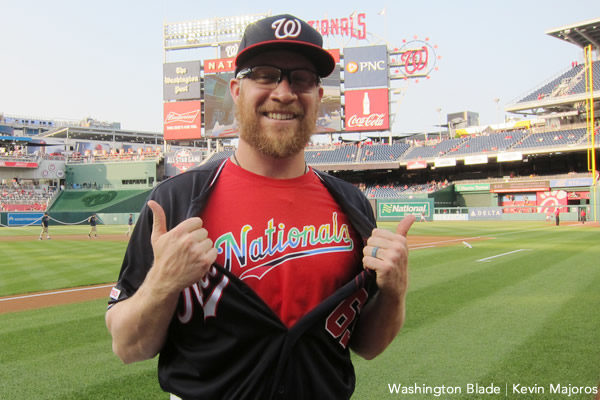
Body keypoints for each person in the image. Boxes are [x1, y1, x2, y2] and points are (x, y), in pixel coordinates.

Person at [105, 14, 414, 400]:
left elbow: (367, 345)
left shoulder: (351, 205)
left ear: (319, 96)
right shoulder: (174, 202)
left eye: (301, 78)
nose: (284, 92)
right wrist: (162, 284)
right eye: (266, 74)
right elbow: (128, 346)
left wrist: (394, 294)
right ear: (236, 89)